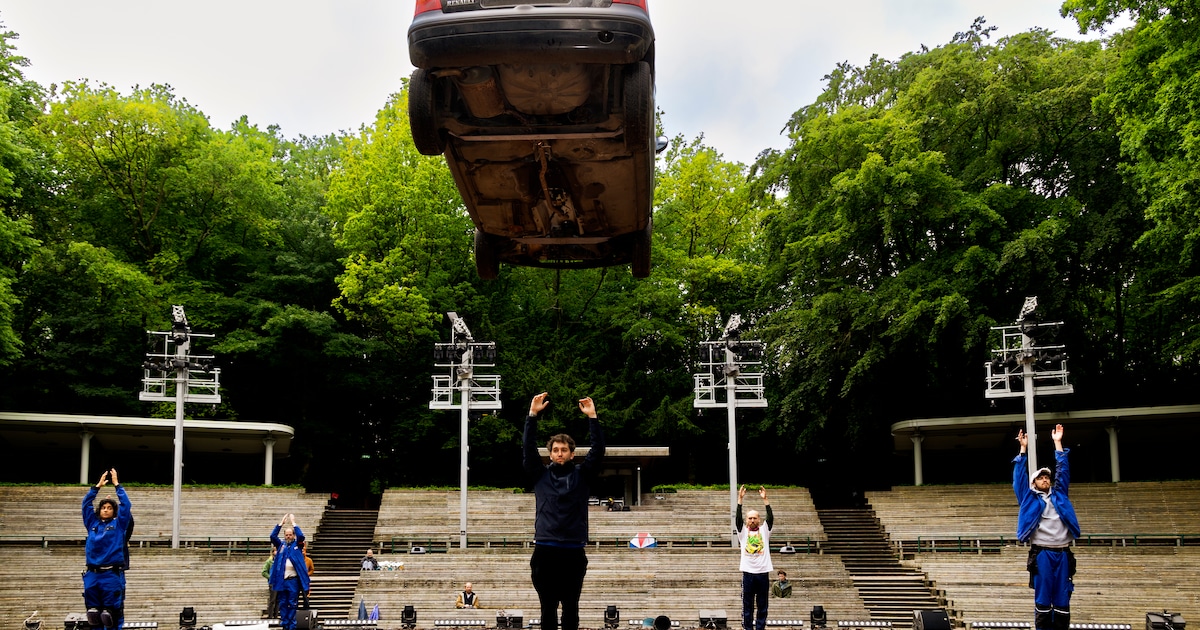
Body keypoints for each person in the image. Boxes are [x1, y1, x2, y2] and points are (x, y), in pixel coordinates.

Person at [523, 392, 605, 630]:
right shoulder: (540, 475)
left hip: (573, 551)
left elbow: (598, 452)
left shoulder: (582, 475)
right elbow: (528, 449)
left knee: (571, 608)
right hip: (545, 550)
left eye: (564, 450)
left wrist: (593, 418)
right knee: (547, 609)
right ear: (550, 454)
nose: (560, 453)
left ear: (572, 453)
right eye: (556, 450)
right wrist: (532, 416)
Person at [1014, 424, 1080, 630]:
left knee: (1062, 596)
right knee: (1043, 596)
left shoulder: (1060, 494)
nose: (1045, 479)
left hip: (1062, 552)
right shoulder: (1029, 498)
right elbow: (1019, 479)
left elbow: (1063, 471)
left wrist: (1058, 443)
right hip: (1042, 552)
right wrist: (1022, 450)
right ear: (1034, 483)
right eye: (1040, 477)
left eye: (1047, 477)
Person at [82, 468, 133, 630]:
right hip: (92, 573)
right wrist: (96, 487)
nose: (106, 509)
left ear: (114, 511)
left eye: (109, 508)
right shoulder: (92, 524)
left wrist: (117, 485)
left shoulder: (118, 525)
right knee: (93, 615)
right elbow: (85, 504)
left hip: (111, 574)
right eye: (103, 507)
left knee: (110, 614)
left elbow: (127, 506)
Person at [736, 485, 774, 630]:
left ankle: (760, 628)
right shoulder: (742, 532)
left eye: (755, 518)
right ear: (747, 520)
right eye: (750, 518)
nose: (752, 520)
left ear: (759, 519)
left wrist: (766, 500)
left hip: (763, 572)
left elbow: (771, 519)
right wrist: (740, 499)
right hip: (748, 573)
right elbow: (737, 520)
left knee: (763, 604)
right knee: (747, 605)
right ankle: (748, 628)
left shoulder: (765, 530)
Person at [269, 513, 310, 630]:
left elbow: (301, 536)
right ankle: (285, 623)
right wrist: (280, 524)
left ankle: (292, 625)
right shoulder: (280, 545)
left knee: (292, 603)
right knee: (282, 602)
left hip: (293, 580)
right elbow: (272, 536)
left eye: (290, 534)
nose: (288, 536)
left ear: (293, 535)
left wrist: (293, 523)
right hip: (282, 580)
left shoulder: (298, 545)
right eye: (286, 535)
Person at [263, 547, 279, 618]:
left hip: (279, 582)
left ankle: (276, 615)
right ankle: (270, 615)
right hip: (272, 583)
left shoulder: (280, 561)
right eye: (275, 551)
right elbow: (264, 572)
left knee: (278, 600)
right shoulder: (269, 561)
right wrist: (270, 577)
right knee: (272, 599)